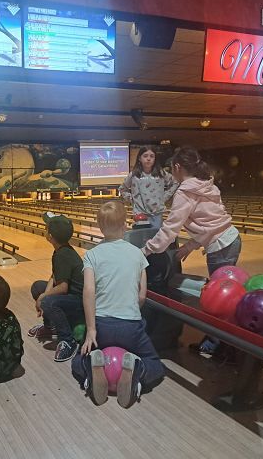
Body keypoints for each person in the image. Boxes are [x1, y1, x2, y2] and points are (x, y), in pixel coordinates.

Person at [142, 146, 241, 355]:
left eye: (171, 168)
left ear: (178, 167)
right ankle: (225, 342)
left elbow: (171, 228)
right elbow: (211, 222)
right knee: (225, 294)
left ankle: (217, 345)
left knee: (219, 299)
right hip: (231, 239)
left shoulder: (185, 192)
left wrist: (146, 250)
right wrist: (190, 246)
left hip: (221, 247)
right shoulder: (207, 185)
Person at [71, 201, 165, 409]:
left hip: (101, 327)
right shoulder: (138, 254)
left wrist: (91, 329)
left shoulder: (92, 255)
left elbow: (88, 291)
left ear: (99, 227)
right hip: (130, 326)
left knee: (77, 361)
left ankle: (89, 370)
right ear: (125, 225)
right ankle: (138, 371)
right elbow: (142, 296)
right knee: (155, 364)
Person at [28, 212, 84, 362]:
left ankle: (68, 340)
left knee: (47, 301)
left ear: (50, 236)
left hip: (79, 302)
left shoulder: (63, 255)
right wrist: (43, 294)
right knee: (38, 287)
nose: (45, 229)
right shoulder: (62, 250)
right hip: (70, 297)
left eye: (47, 228)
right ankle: (50, 327)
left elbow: (62, 287)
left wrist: (43, 298)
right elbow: (54, 277)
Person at [119, 146, 179, 229]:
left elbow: (175, 182)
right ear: (139, 158)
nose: (148, 159)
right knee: (142, 235)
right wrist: (133, 199)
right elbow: (122, 189)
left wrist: (164, 197)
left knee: (155, 235)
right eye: (145, 156)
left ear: (155, 159)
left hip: (157, 213)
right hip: (140, 213)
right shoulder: (134, 175)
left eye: (152, 156)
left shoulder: (160, 173)